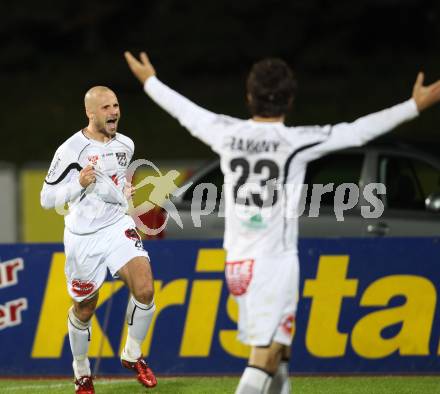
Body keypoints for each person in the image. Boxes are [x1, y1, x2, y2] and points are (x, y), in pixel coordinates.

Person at [124, 51, 440, 394]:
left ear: (249, 96)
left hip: (238, 262)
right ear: (290, 99)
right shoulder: (296, 141)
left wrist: (150, 81)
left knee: (280, 352)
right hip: (273, 263)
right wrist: (414, 105)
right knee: (264, 355)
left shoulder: (226, 132)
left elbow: (185, 111)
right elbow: (357, 132)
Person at [40, 86, 158, 393]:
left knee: (145, 289)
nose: (114, 112)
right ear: (90, 113)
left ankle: (133, 355)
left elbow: (117, 182)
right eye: (106, 107)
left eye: (116, 105)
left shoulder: (126, 145)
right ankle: (82, 371)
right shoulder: (71, 149)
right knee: (85, 308)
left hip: (116, 228)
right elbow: (46, 198)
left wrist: (124, 196)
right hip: (82, 239)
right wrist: (77, 184)